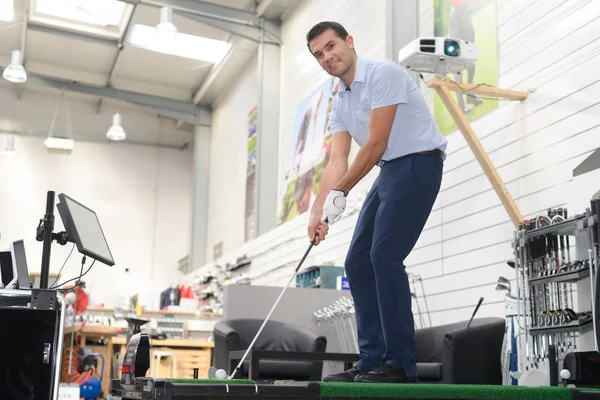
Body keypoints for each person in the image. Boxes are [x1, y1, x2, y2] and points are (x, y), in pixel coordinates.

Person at [305, 21, 447, 383]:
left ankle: (399, 363)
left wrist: (342, 191)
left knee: (384, 255)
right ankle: (371, 360)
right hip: (390, 170)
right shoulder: (342, 100)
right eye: (319, 54)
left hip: (419, 162)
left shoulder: (384, 73)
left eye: (331, 46)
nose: (327, 57)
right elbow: (336, 161)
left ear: (350, 42)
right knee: (356, 262)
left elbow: (375, 144)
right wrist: (317, 210)